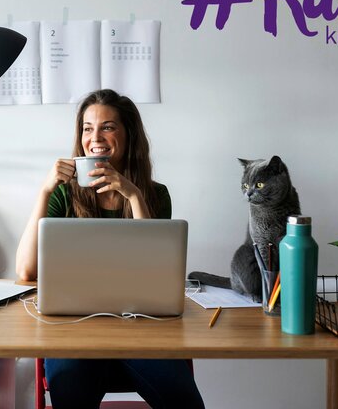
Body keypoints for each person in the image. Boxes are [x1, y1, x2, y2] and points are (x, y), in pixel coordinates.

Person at [16, 89, 205, 409]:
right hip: (74, 330)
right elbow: (25, 271)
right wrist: (45, 191)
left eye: (108, 126)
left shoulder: (155, 195)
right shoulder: (64, 194)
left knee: (185, 402)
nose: (96, 137)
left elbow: (155, 271)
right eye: (88, 128)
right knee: (71, 390)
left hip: (140, 331)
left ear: (128, 134)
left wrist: (133, 196)